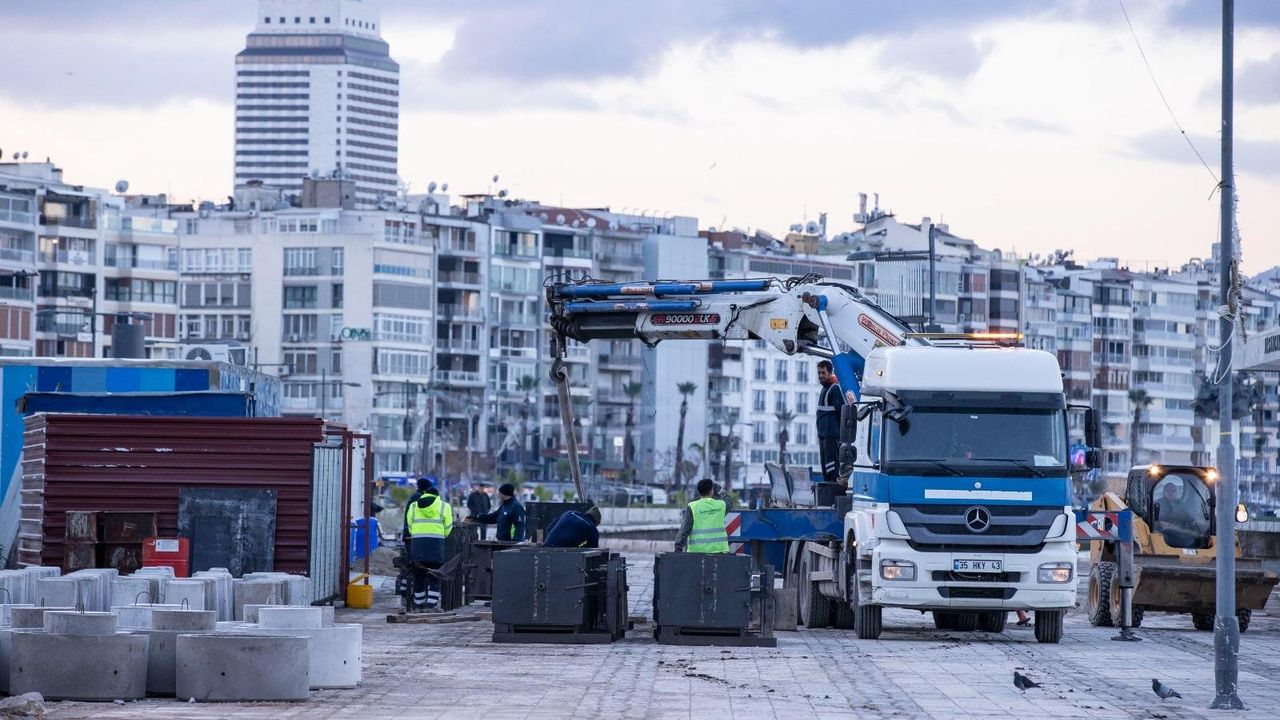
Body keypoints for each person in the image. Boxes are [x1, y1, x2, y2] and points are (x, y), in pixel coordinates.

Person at [402, 478, 453, 612]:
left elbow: (409, 524)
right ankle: (431, 606)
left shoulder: (414, 505)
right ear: (437, 496)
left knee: (419, 575)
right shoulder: (444, 506)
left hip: (418, 544)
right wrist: (442, 535)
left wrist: (417, 534)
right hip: (436, 545)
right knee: (435, 576)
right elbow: (448, 527)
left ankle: (418, 605)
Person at [674, 478, 730, 553]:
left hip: (696, 552)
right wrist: (723, 492)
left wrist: (678, 547)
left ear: (699, 492)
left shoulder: (692, 506)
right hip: (719, 550)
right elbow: (729, 502)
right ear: (711, 491)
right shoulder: (721, 505)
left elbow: (685, 529)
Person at [816, 360, 846, 485]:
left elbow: (842, 413)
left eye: (823, 372)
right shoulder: (825, 389)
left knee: (832, 466)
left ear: (830, 372)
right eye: (819, 373)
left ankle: (833, 487)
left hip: (832, 436)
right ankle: (829, 485)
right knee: (825, 466)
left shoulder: (835, 389)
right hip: (823, 436)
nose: (821, 375)